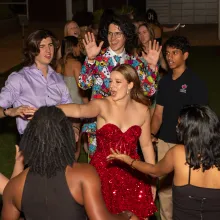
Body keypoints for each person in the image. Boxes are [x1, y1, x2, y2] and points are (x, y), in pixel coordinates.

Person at [1, 106, 137, 220]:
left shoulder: (14, 186)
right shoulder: (83, 174)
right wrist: (125, 215)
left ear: (30, 138)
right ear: (66, 136)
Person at [59, 64, 157, 219]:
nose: (112, 86)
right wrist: (47, 109)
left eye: (118, 82)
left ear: (130, 85)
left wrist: (152, 178)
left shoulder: (143, 110)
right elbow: (78, 110)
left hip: (133, 174)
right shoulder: (102, 105)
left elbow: (146, 146)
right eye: (110, 81)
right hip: (104, 174)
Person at [108, 105, 220, 220]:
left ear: (189, 131)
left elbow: (153, 171)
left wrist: (129, 160)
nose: (177, 127)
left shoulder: (178, 153)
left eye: (180, 125)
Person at [79, 14, 161, 159]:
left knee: (124, 172)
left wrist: (152, 68)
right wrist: (90, 59)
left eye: (118, 33)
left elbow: (149, 91)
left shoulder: (133, 63)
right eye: (110, 33)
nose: (113, 38)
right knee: (98, 171)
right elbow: (84, 84)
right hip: (99, 125)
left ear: (126, 36)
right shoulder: (98, 58)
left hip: (126, 126)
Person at [150, 36, 208, 220]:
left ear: (185, 55)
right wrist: (152, 135)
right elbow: (158, 113)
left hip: (187, 145)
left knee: (186, 190)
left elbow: (200, 119)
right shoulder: (165, 82)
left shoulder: (195, 83)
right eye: (167, 53)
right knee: (165, 191)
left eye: (175, 53)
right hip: (165, 142)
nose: (170, 57)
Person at [0, 29, 79, 139]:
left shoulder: (59, 79)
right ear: (33, 50)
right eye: (42, 46)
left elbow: (72, 110)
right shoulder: (20, 78)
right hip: (32, 143)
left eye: (50, 45)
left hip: (58, 141)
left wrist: (74, 128)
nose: (48, 50)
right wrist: (9, 111)